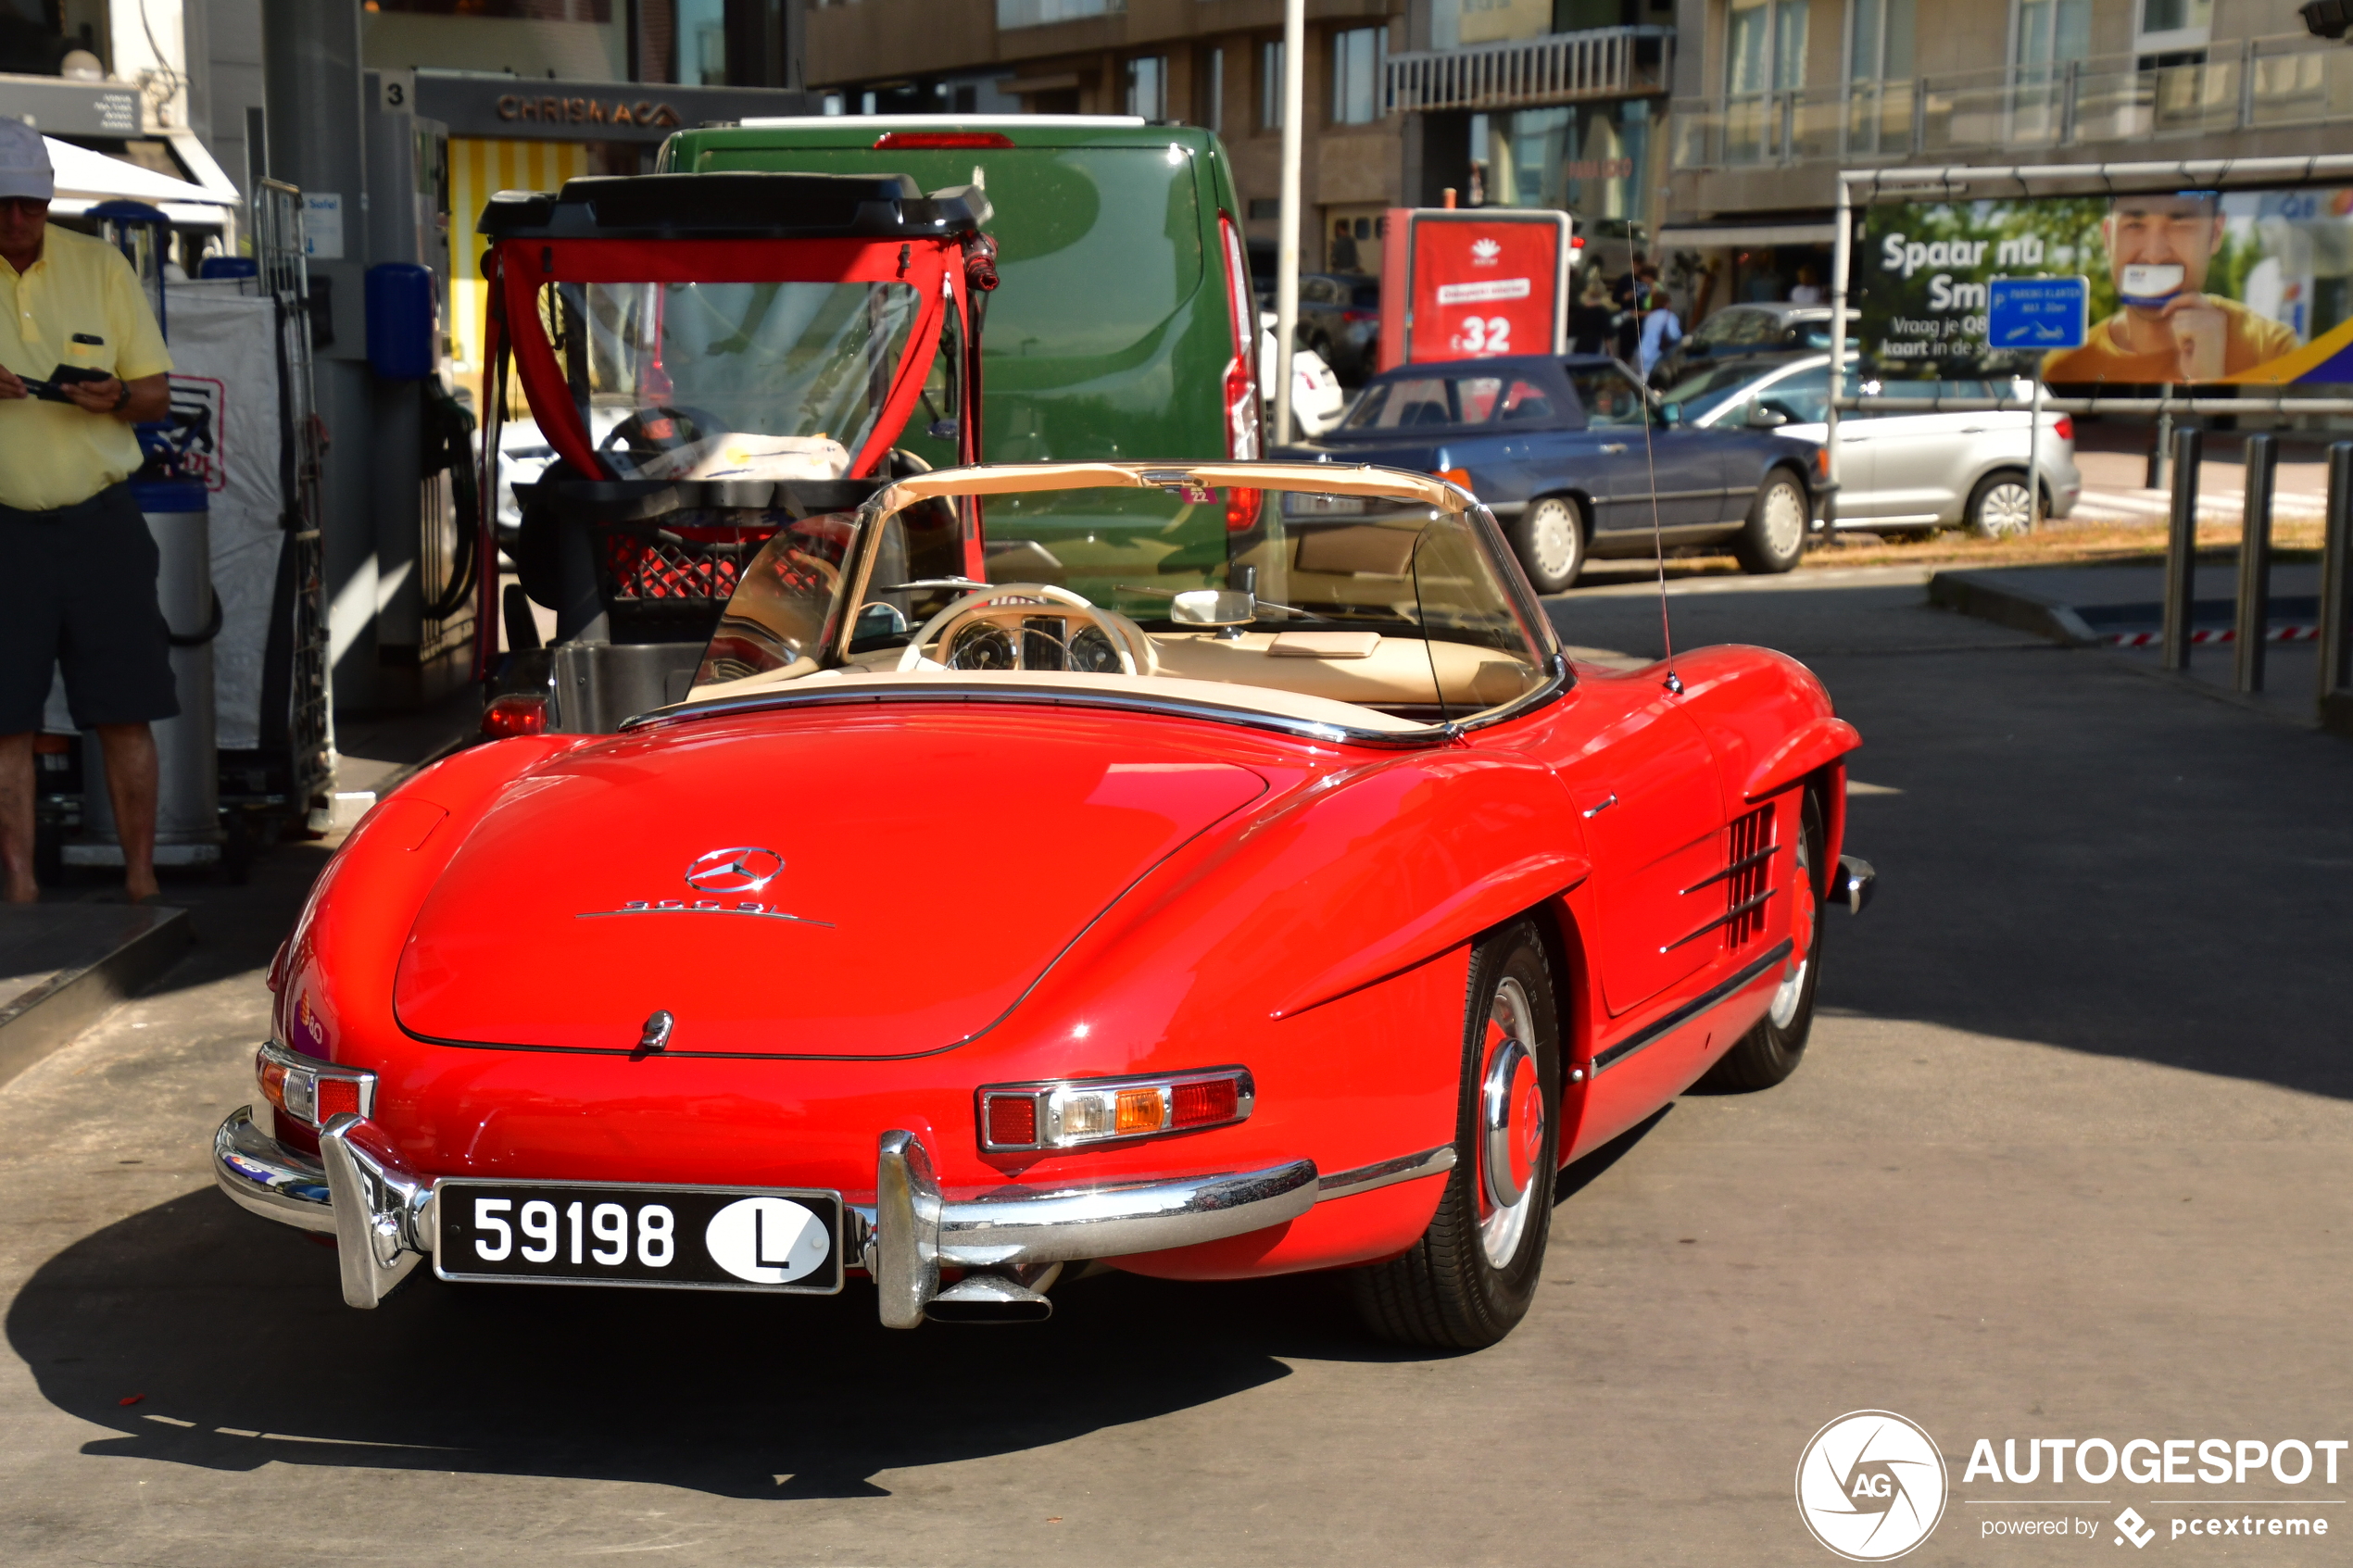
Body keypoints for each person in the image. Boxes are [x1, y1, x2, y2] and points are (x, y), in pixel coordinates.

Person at [0, 118, 176, 904]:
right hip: (5, 524)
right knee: (5, 718)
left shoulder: (100, 265)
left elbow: (157, 395)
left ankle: (143, 883)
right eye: (1, 204)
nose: (15, 221)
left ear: (49, 200)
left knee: (126, 707)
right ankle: (21, 889)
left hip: (101, 516)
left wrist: (116, 397)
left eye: (30, 205)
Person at [2041, 192, 2296, 384]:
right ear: (2108, 239)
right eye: (2134, 225)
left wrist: (2209, 384)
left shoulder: (2274, 349)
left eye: (2180, 224)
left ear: (2215, 234)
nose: (2154, 255)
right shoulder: (2063, 368)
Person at [1637, 267, 1682, 381]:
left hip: (1643, 354)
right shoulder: (1669, 317)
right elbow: (1675, 335)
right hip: (1659, 356)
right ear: (1666, 304)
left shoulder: (1650, 317)